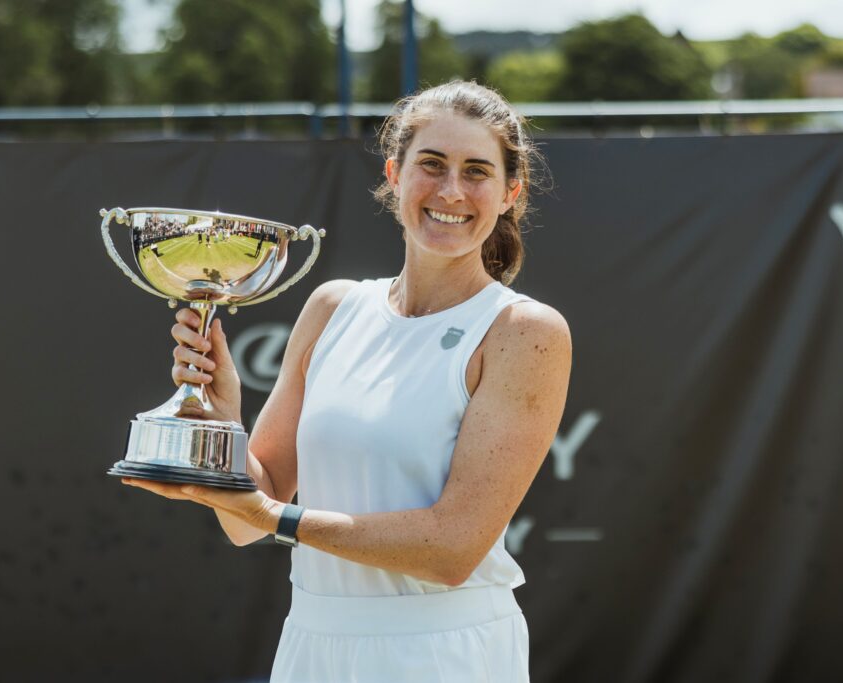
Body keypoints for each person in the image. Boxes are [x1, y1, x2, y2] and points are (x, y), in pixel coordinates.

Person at [123, 80, 572, 682]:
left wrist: (268, 515)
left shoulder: (525, 330)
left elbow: (452, 549)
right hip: (312, 644)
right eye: (431, 165)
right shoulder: (333, 306)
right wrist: (226, 419)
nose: (451, 191)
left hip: (445, 654)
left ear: (509, 192)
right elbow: (242, 516)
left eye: (476, 172)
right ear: (394, 174)